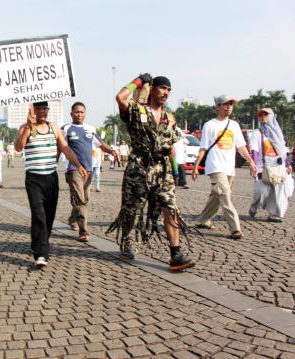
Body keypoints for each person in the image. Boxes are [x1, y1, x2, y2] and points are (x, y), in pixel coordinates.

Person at [107, 74, 195, 271]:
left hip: (163, 170)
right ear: (152, 88)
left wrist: (176, 169)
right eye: (163, 88)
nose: (166, 93)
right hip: (139, 167)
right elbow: (120, 97)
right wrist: (137, 81)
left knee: (170, 209)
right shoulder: (137, 110)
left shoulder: (169, 118)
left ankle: (176, 254)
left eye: (169, 90)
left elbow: (171, 145)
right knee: (132, 209)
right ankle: (127, 239)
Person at [15, 102, 88, 268]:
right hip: (33, 179)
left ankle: (39, 243)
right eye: (38, 109)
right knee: (38, 213)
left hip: (51, 178)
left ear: (48, 111)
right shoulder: (25, 128)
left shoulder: (54, 128)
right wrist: (28, 126)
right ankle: (41, 254)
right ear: (32, 111)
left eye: (44, 109)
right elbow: (18, 147)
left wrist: (78, 164)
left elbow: (65, 147)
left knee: (48, 215)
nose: (42, 112)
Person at [192, 95, 257, 239]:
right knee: (225, 196)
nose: (229, 107)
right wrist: (196, 166)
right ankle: (235, 228)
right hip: (215, 166)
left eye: (231, 104)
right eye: (225, 104)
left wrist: (251, 162)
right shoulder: (209, 125)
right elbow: (203, 148)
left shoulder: (234, 125)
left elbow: (241, 146)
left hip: (229, 168)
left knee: (217, 195)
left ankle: (203, 220)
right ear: (217, 106)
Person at [61, 102, 116, 242]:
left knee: (84, 199)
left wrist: (112, 151)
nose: (79, 114)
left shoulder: (90, 129)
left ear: (85, 113)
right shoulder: (66, 129)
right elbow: (59, 146)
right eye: (76, 112)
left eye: (81, 112)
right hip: (73, 170)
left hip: (89, 171)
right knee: (80, 200)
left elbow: (101, 144)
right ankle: (83, 231)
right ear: (71, 113)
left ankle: (73, 220)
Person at [248, 108, 293, 222]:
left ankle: (275, 214)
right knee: (262, 190)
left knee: (279, 191)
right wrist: (252, 164)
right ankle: (254, 204)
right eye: (260, 114)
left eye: (266, 114)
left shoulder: (278, 133)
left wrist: (287, 164)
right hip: (263, 166)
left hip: (278, 166)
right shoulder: (257, 133)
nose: (263, 116)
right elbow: (254, 151)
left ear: (272, 116)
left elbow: (283, 151)